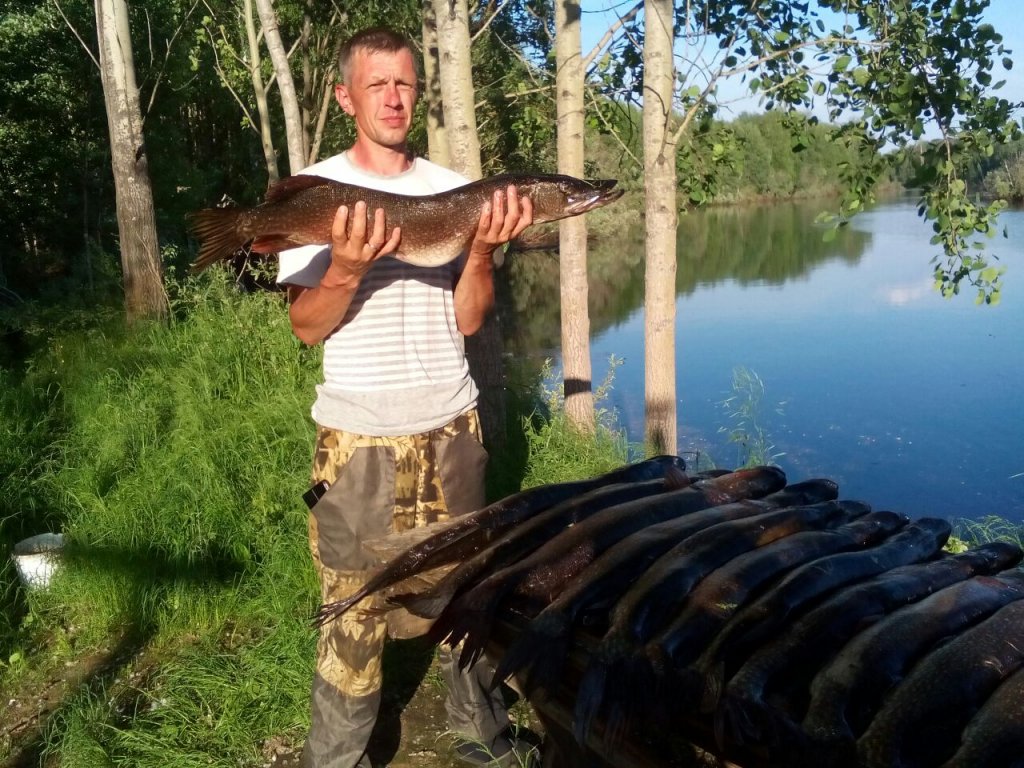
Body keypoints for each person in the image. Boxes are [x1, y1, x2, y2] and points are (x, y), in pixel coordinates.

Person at [276, 26, 537, 768]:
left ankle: (480, 732)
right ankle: (338, 760)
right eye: (378, 84)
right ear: (346, 95)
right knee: (351, 613)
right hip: (358, 443)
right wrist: (346, 271)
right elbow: (306, 328)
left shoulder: (450, 191)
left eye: (405, 84)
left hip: (451, 426)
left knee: (468, 592)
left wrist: (481, 249)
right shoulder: (316, 193)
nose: (394, 98)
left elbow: (470, 318)